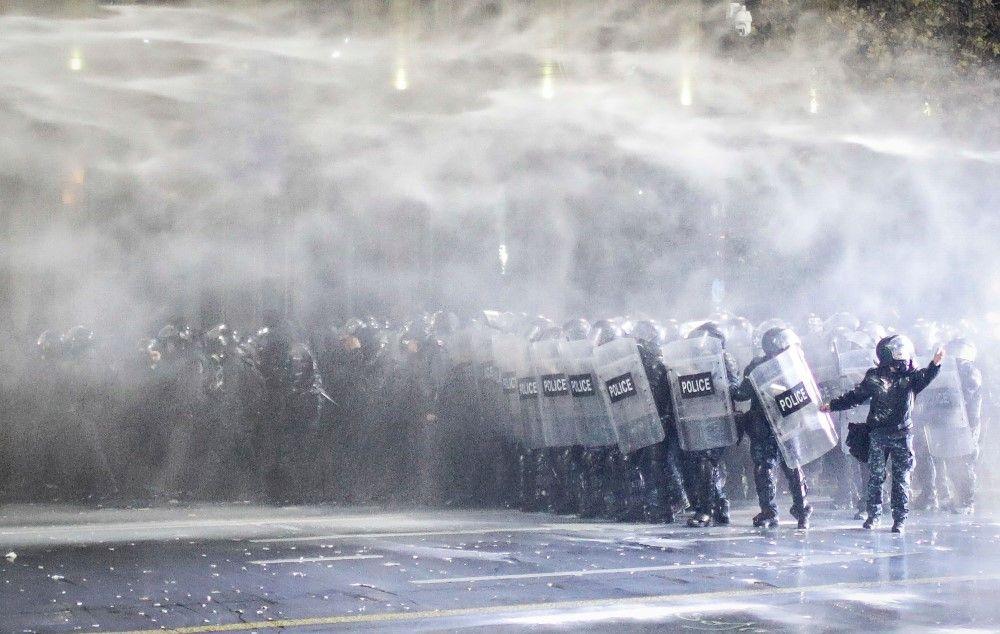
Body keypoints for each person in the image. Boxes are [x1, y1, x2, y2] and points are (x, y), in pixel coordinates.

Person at [821, 335, 944, 532]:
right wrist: (833, 405)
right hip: (879, 434)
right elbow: (856, 396)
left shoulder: (911, 377)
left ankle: (899, 519)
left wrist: (935, 364)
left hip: (902, 434)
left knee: (901, 479)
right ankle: (874, 516)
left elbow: (927, 376)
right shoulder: (874, 377)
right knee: (876, 478)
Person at [732, 327, 812, 529]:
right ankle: (797, 510)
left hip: (772, 424)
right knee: (786, 466)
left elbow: (742, 394)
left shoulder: (762, 366)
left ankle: (775, 511)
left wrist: (730, 388)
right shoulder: (781, 364)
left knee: (771, 468)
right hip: (778, 423)